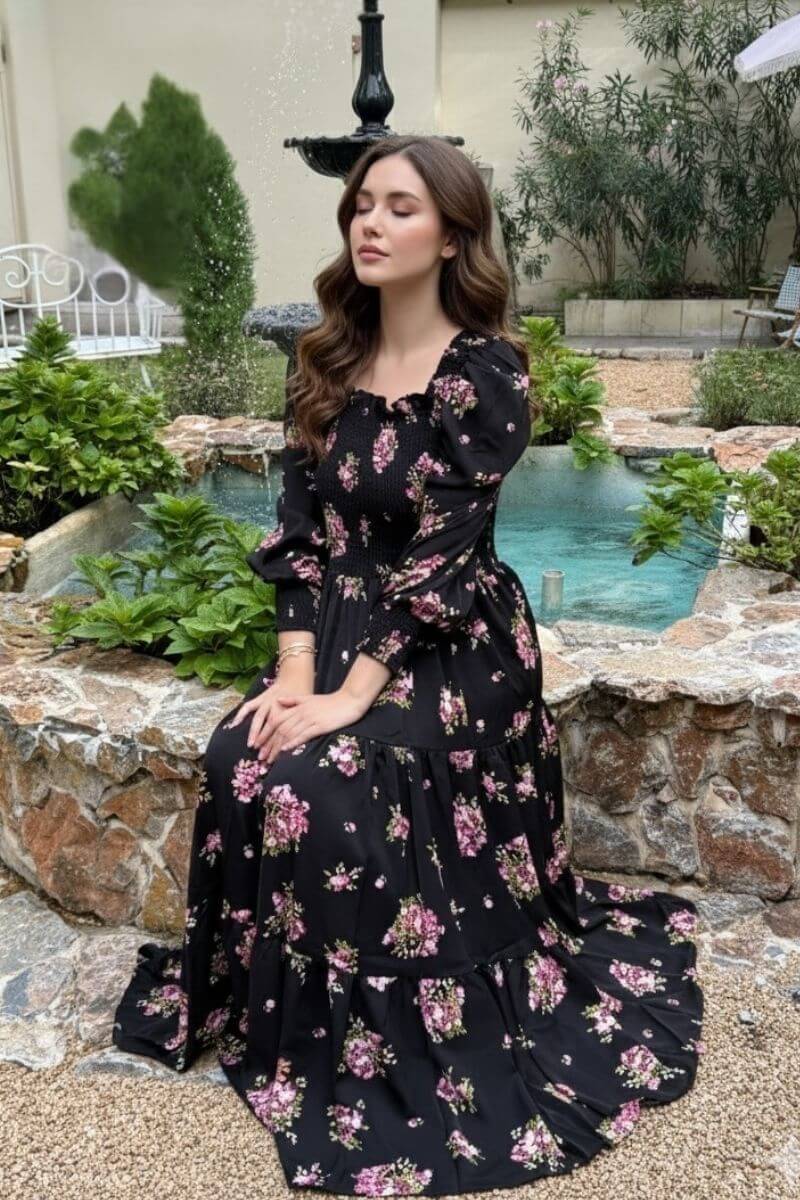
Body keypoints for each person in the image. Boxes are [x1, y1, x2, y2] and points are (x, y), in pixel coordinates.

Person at [113, 134, 704, 1195]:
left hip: (449, 643)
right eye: (360, 206)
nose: (370, 224)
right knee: (237, 755)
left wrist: (346, 699)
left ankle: (401, 1027)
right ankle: (289, 1015)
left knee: (326, 777)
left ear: (451, 237)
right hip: (338, 632)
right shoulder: (324, 361)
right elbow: (296, 535)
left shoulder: (485, 375)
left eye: (399, 208)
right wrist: (296, 675)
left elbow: (440, 564)